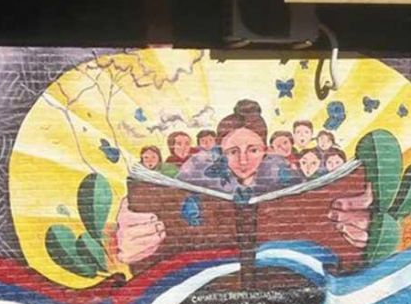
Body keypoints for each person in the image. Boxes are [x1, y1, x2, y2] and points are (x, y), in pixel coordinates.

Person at [114, 100, 373, 263]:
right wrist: (134, 229)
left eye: (253, 150)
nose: (243, 160)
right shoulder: (199, 167)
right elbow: (170, 202)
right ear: (220, 150)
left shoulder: (279, 168)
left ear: (265, 148)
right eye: (232, 151)